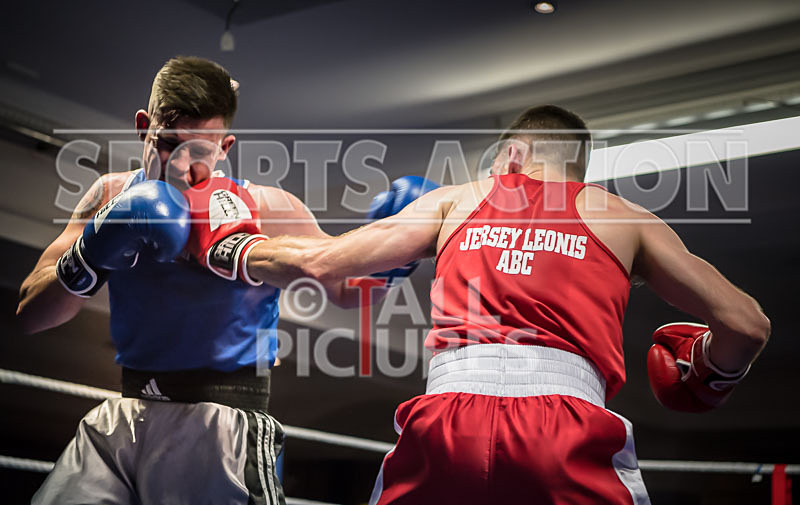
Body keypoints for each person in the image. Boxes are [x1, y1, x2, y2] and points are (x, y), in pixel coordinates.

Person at [237, 105, 771, 504]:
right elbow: (747, 325)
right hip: (569, 431)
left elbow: (323, 262)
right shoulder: (622, 217)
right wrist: (709, 371)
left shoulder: (456, 199)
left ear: (512, 154)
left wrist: (226, 247)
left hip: (445, 424)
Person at [16, 56, 367, 505]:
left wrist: (398, 250)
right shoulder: (109, 195)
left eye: (199, 152)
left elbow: (346, 287)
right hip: (128, 415)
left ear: (225, 147)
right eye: (167, 144)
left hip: (221, 426)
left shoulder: (266, 206)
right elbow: (30, 314)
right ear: (143, 127)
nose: (182, 167)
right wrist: (90, 253)